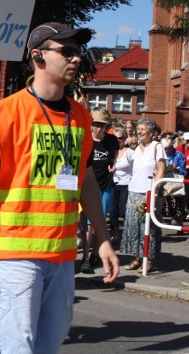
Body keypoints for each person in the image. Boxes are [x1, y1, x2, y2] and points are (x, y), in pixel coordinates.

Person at [0, 22, 119, 353]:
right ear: (38, 57)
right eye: (66, 51)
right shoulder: (6, 114)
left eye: (77, 51)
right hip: (15, 256)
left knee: (48, 347)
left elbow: (87, 182)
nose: (76, 58)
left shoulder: (80, 117)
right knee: (16, 348)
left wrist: (104, 240)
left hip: (63, 256)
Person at [120, 117, 166, 273]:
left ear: (152, 132)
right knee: (133, 227)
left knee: (149, 228)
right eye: (138, 128)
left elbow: (161, 169)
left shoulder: (156, 146)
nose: (139, 131)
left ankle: (149, 259)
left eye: (142, 129)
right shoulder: (137, 148)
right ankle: (137, 258)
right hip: (134, 190)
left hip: (149, 192)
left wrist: (155, 191)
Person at [79, 107, 118, 273]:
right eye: (96, 124)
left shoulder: (111, 140)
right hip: (88, 186)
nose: (99, 128)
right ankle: (85, 258)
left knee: (100, 221)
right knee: (88, 225)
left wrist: (113, 165)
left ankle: (96, 253)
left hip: (106, 185)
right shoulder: (85, 139)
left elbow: (114, 154)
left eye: (102, 125)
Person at [112, 127, 134, 245]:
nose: (118, 140)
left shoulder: (130, 152)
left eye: (121, 138)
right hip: (113, 183)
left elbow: (135, 169)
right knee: (112, 211)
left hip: (126, 184)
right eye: (116, 138)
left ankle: (129, 232)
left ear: (125, 138)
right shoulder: (111, 150)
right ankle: (115, 234)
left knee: (122, 209)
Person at [161, 138, 187, 227]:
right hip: (164, 183)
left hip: (176, 183)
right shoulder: (160, 155)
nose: (166, 151)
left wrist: (176, 167)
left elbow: (184, 171)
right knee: (164, 206)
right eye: (164, 149)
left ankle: (179, 226)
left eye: (168, 148)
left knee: (178, 205)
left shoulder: (179, 155)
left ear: (172, 146)